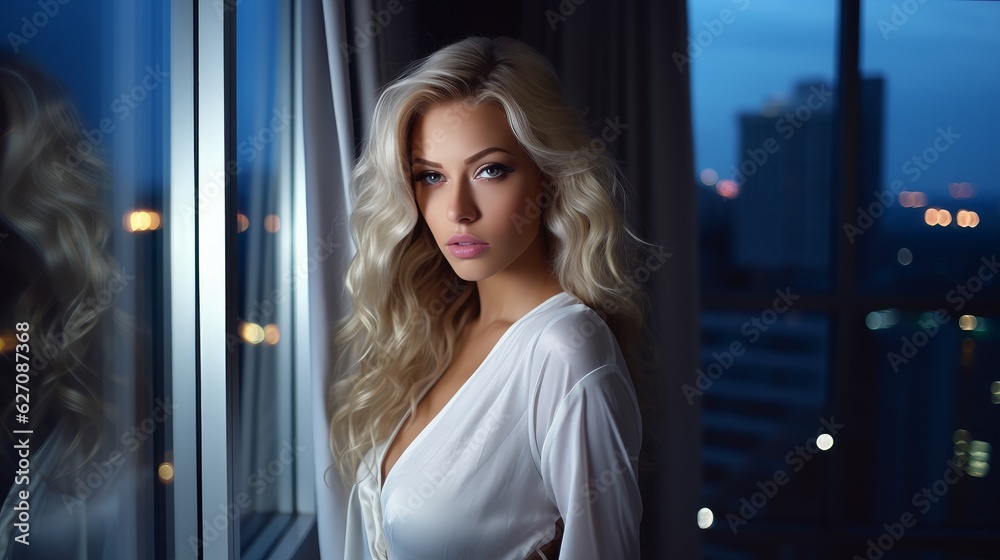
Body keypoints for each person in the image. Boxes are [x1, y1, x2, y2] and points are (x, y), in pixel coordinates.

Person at [327, 36, 652, 559]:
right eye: (431, 176)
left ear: (550, 176)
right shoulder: (438, 329)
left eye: (490, 170)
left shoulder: (566, 353)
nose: (457, 209)